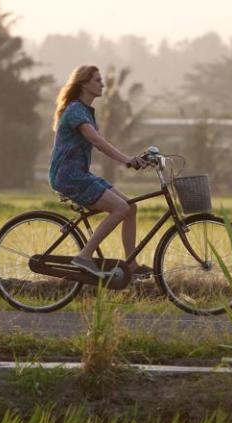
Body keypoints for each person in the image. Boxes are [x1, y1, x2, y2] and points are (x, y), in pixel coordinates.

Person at [49, 65, 152, 278]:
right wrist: (127, 160)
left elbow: (100, 142)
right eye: (97, 80)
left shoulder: (85, 111)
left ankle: (130, 265)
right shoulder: (76, 109)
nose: (102, 84)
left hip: (80, 174)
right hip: (69, 176)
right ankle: (84, 256)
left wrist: (136, 159)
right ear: (84, 84)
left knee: (130, 208)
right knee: (121, 209)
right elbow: (96, 141)